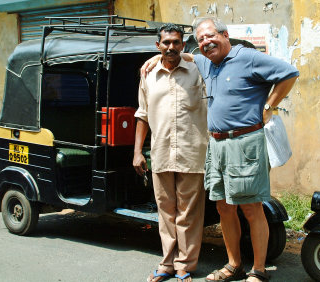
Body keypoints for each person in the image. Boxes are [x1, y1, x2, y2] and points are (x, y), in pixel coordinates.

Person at [142, 17, 299, 282]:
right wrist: (153, 60)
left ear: (225, 35)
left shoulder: (248, 57)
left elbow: (290, 73)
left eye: (210, 36)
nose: (205, 42)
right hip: (216, 144)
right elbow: (183, 56)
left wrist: (269, 105)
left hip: (245, 142)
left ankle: (258, 270)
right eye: (201, 39)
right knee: (224, 207)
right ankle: (234, 265)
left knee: (251, 207)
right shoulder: (205, 61)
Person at [133, 23, 208, 282]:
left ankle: (184, 266)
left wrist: (187, 56)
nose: (171, 47)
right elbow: (142, 114)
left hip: (192, 151)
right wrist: (137, 152)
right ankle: (166, 264)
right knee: (165, 212)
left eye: (176, 42)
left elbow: (211, 55)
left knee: (188, 213)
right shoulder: (148, 75)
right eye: (166, 43)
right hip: (161, 152)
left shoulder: (198, 71)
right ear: (158, 46)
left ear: (183, 45)